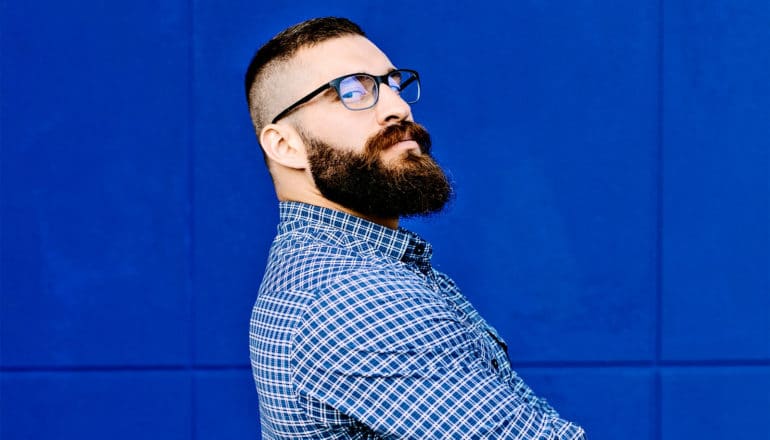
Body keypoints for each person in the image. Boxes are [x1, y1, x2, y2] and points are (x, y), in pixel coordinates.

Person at [244, 17, 585, 439]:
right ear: (284, 145)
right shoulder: (356, 300)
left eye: (392, 84)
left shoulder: (331, 270)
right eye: (353, 90)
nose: (398, 108)